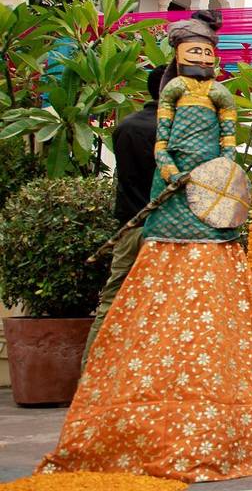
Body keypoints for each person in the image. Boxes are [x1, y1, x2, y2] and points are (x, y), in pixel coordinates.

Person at [39, 11, 252, 482]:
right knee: (132, 304)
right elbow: (169, 148)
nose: (201, 59)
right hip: (162, 218)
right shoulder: (158, 117)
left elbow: (224, 150)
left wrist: (213, 173)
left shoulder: (133, 125)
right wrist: (173, 172)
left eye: (206, 51)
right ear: (173, 67)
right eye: (194, 51)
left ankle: (91, 383)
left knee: (119, 304)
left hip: (170, 217)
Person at [80, 65, 165, 370]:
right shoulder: (176, 131)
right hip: (167, 233)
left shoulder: (126, 126)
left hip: (130, 226)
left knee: (111, 303)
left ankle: (89, 375)